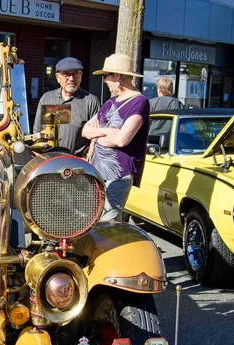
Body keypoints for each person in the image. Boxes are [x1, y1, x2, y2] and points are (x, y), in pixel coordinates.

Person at [82, 53, 150, 221]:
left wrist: (98, 135)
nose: (105, 80)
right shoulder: (110, 102)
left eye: (107, 76)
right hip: (96, 172)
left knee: (107, 223)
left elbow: (122, 140)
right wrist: (106, 133)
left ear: (118, 76)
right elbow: (85, 130)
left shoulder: (139, 102)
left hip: (118, 174)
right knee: (92, 221)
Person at [33, 57, 100, 156]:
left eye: (76, 73)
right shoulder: (47, 98)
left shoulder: (90, 101)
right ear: (57, 77)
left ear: (81, 75)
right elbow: (37, 132)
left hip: (77, 163)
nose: (72, 78)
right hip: (49, 161)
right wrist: (40, 157)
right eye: (66, 74)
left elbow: (96, 137)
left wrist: (88, 159)